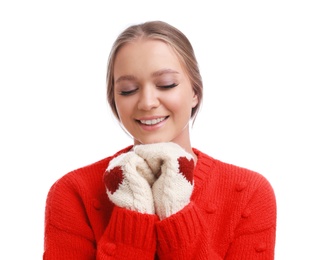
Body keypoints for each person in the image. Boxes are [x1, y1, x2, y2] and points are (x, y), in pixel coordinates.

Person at [43, 20, 277, 259]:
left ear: (195, 92)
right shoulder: (73, 192)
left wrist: (176, 210)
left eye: (166, 84)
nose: (147, 102)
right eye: (128, 90)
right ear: (114, 100)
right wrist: (134, 214)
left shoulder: (250, 193)